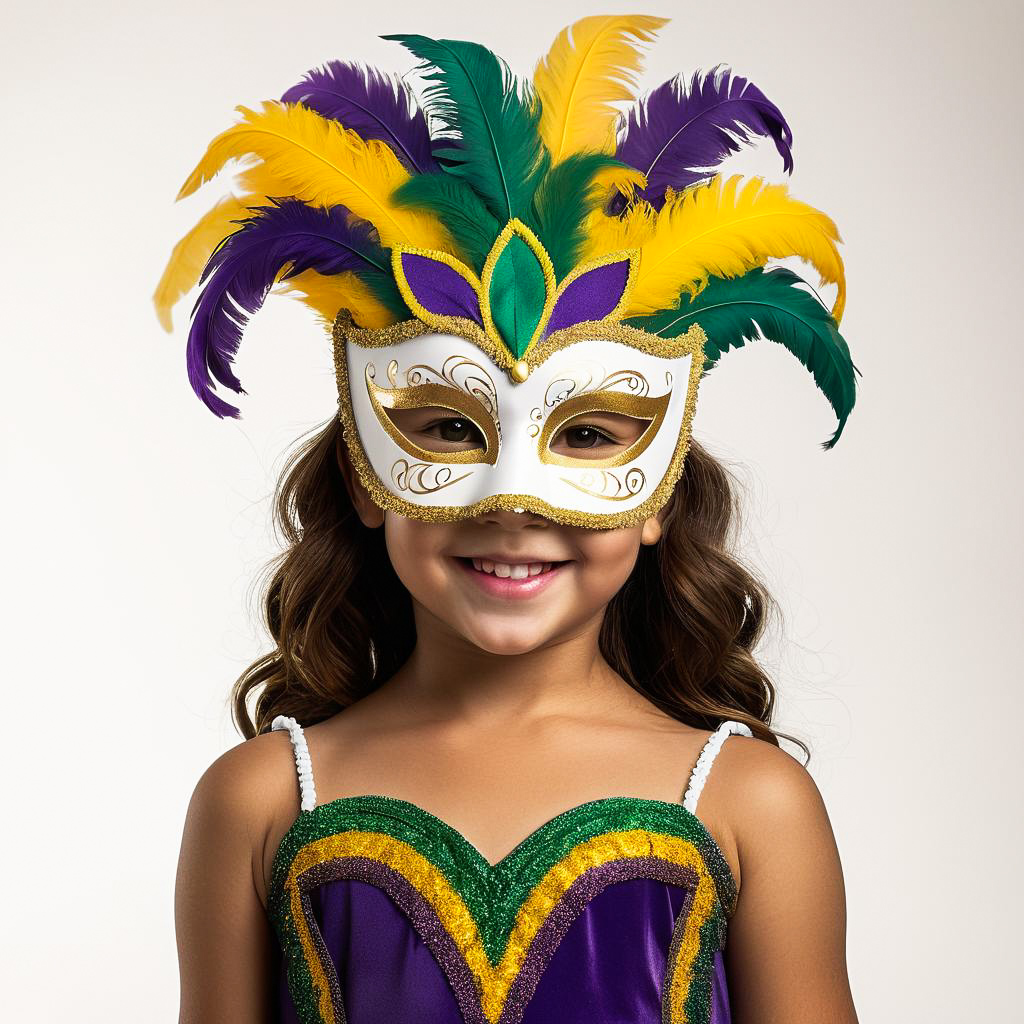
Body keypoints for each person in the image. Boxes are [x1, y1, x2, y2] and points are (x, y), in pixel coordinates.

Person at [160, 14, 860, 1023]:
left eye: (586, 437)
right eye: (446, 428)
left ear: (658, 494)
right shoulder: (260, 799)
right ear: (364, 474)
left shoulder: (750, 801)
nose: (512, 502)